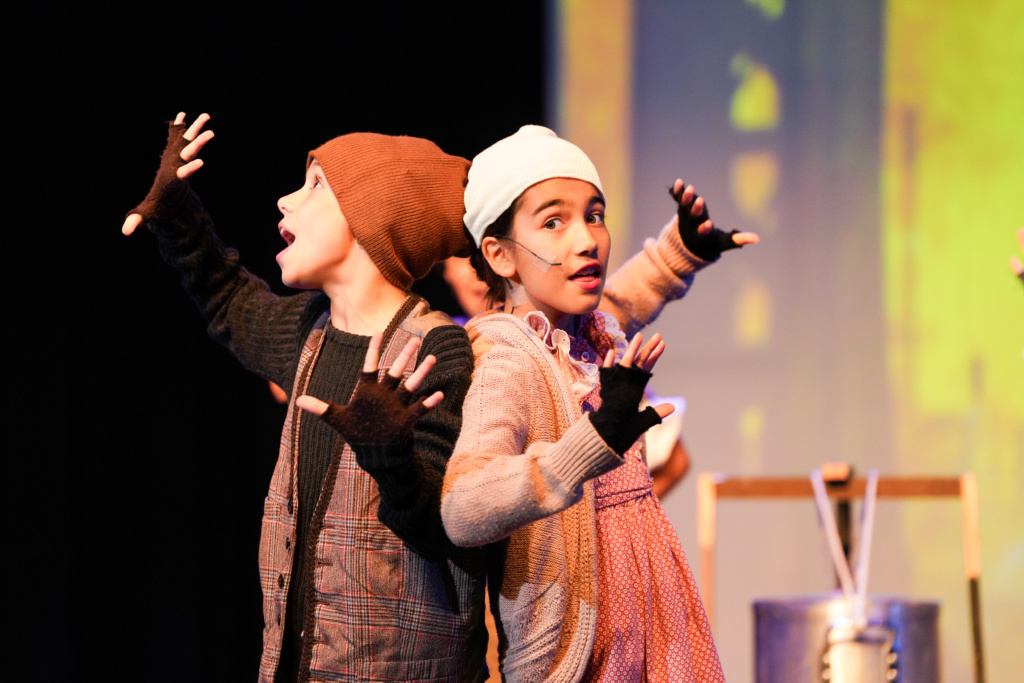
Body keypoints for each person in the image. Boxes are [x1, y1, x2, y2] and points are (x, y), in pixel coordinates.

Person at [122, 113, 487, 683]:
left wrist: (391, 459)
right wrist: (176, 212)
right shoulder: (308, 333)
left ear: (373, 217)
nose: (286, 200)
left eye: (316, 185)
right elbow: (228, 297)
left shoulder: (436, 348)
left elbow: (446, 529)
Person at [442, 125, 755, 682]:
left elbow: (626, 296)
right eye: (553, 222)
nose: (587, 239)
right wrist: (587, 447)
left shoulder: (588, 331)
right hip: (581, 645)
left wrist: (679, 252)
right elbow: (464, 507)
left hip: (656, 612)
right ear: (500, 255)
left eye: (595, 215)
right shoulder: (507, 360)